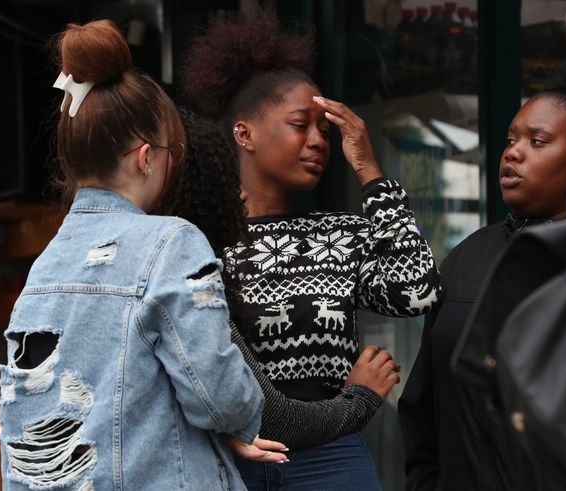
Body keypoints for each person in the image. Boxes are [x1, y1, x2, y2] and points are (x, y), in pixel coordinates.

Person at [0, 20, 285, 491]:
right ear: (145, 157)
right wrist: (237, 422)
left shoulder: (43, 267)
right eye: (174, 152)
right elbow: (220, 396)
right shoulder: (171, 241)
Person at [181, 15, 441, 490]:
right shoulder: (196, 241)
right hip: (224, 457)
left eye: (325, 129)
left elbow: (417, 293)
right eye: (301, 125)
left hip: (331, 456)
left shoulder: (341, 234)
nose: (319, 140)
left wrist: (369, 169)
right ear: (245, 135)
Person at [398, 61, 566, 491]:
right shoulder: (466, 258)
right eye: (511, 140)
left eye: (538, 141)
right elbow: (423, 405)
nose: (513, 152)